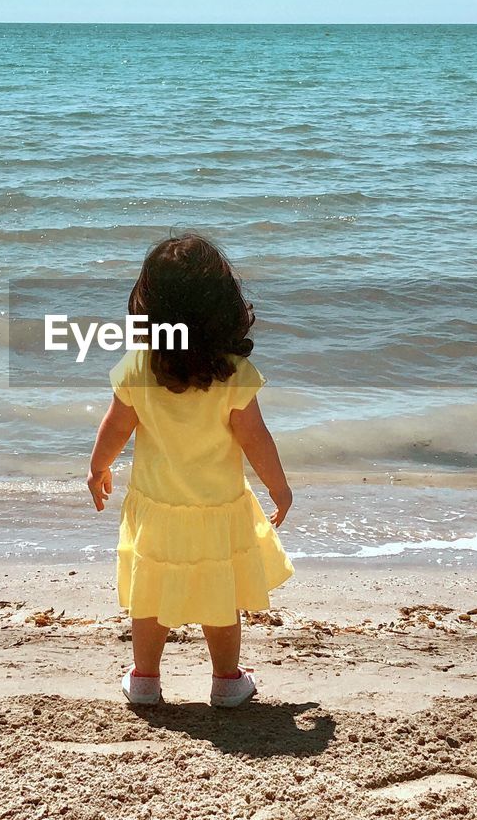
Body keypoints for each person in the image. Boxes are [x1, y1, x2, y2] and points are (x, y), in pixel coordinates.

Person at [87, 233, 294, 708]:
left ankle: (144, 681)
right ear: (223, 306)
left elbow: (117, 425)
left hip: (157, 508)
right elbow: (255, 438)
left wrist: (98, 466)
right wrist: (279, 489)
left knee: (151, 596)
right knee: (219, 598)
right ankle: (227, 682)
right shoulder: (233, 373)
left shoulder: (139, 366)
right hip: (218, 507)